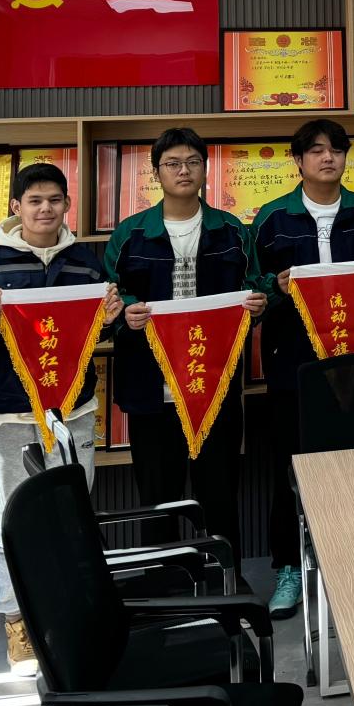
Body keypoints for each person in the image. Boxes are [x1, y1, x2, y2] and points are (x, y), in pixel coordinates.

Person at [0, 161, 112, 673]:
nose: (45, 209)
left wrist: (109, 318)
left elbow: (97, 335)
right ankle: (17, 623)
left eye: (54, 200)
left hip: (74, 410)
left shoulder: (86, 264)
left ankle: (72, 614)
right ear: (16, 207)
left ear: (68, 205)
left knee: (72, 514)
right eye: (35, 201)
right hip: (10, 411)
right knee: (9, 517)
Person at [248, 118, 354, 616]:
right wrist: (275, 289)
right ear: (298, 160)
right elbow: (253, 288)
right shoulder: (272, 218)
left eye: (336, 149)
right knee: (289, 463)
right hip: (293, 358)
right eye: (316, 150)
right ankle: (289, 567)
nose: (327, 158)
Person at [105, 129, 266, 560]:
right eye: (173, 163)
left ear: (205, 169)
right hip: (152, 390)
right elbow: (108, 298)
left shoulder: (231, 230)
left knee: (220, 492)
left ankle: (226, 579)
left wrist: (257, 304)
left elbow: (253, 287)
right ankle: (165, 582)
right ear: (156, 172)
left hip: (215, 386)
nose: (184, 171)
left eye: (193, 162)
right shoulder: (130, 234)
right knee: (159, 497)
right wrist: (127, 313)